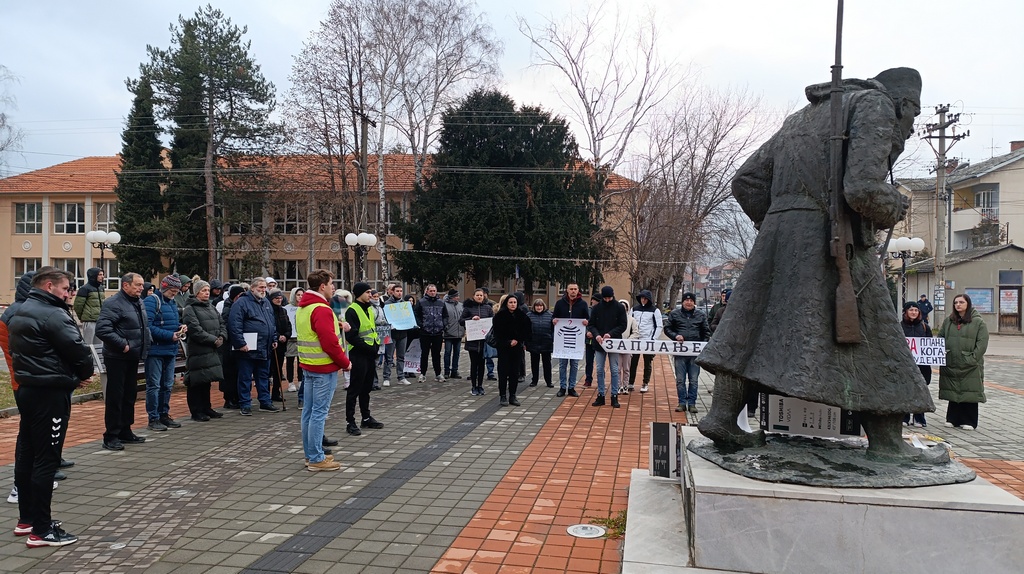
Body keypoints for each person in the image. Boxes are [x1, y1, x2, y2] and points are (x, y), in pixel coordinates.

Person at [696, 68, 938, 462]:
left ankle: (722, 416)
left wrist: (781, 224)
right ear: (903, 104)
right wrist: (892, 204)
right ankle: (889, 444)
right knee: (876, 335)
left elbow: (747, 182)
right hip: (833, 241)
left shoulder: (801, 118)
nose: (910, 129)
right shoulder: (874, 105)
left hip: (779, 240)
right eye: (913, 116)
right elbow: (861, 188)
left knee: (752, 325)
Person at [9, 267, 94, 547]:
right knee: (46, 459)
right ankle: (42, 530)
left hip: (28, 389)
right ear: (49, 286)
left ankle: (27, 520)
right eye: (66, 288)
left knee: (27, 453)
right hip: (49, 394)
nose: (70, 293)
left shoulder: (20, 310)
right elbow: (77, 350)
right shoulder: (53, 314)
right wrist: (81, 375)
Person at [296, 269, 351, 471]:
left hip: (309, 366)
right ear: (322, 286)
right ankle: (317, 458)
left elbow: (314, 331)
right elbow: (329, 342)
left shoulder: (305, 307)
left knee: (309, 414)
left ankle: (311, 455)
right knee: (318, 414)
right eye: (331, 284)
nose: (333, 287)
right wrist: (345, 362)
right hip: (323, 368)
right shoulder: (321, 308)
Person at [95, 272, 151, 450]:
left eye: (142, 285)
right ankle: (111, 435)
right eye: (138, 285)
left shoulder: (138, 302)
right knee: (116, 397)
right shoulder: (113, 303)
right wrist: (123, 345)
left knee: (129, 395)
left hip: (133, 356)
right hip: (117, 357)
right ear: (125, 285)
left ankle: (126, 430)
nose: (141, 288)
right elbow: (103, 330)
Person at [938, 293, 989, 430]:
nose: (958, 305)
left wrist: (972, 358)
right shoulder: (949, 321)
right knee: (953, 390)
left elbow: (982, 343)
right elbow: (940, 337)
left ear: (968, 304)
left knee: (969, 391)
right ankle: (953, 418)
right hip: (951, 361)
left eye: (961, 302)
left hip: (970, 364)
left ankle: (969, 420)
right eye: (956, 303)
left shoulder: (978, 322)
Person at [228, 277, 279, 416]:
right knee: (245, 377)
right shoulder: (242, 302)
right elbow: (234, 324)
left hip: (265, 346)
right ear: (252, 288)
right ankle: (245, 404)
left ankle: (265, 401)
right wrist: (240, 343)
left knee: (263, 376)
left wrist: (274, 338)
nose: (263, 290)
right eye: (260, 288)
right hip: (248, 347)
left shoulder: (266, 302)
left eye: (264, 287)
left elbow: (271, 323)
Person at [144, 275, 186, 431]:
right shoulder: (152, 301)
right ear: (165, 288)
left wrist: (180, 327)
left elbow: (171, 323)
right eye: (172, 291)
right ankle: (153, 418)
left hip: (170, 350)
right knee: (154, 385)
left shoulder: (172, 302)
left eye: (176, 291)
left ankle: (164, 414)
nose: (174, 294)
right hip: (155, 350)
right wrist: (170, 335)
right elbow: (147, 326)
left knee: (167, 385)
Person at [182, 280, 227, 422]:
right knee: (197, 380)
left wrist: (222, 337)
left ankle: (207, 407)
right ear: (196, 293)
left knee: (206, 379)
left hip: (212, 349)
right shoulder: (190, 309)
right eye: (203, 290)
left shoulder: (211, 307)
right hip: (199, 350)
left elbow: (222, 324)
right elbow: (195, 330)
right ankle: (196, 411)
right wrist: (213, 340)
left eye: (208, 290)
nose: (207, 293)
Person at [344, 282, 384, 435]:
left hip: (369, 354)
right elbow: (352, 336)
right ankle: (350, 421)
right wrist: (369, 347)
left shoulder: (369, 309)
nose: (370, 294)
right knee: (355, 389)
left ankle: (366, 418)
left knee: (366, 389)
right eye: (367, 292)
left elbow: (371, 331)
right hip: (359, 354)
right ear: (359, 293)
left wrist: (375, 347)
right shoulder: (352, 310)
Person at [664, 293, 711, 414]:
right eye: (686, 300)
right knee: (680, 379)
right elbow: (667, 328)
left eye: (691, 300)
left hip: (695, 354)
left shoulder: (701, 315)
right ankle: (681, 402)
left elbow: (706, 332)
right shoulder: (675, 314)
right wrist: (676, 336)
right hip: (680, 353)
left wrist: (702, 346)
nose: (688, 302)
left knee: (694, 380)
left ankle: (692, 403)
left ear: (694, 302)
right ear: (683, 302)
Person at [588, 286, 627, 408]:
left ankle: (614, 395)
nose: (607, 300)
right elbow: (591, 324)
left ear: (613, 296)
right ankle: (601, 395)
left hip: (613, 342)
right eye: (605, 298)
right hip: (599, 343)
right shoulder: (596, 308)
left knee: (615, 370)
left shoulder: (619, 307)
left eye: (609, 298)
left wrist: (610, 334)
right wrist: (597, 335)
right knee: (599, 369)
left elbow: (623, 325)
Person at [492, 294, 532, 406]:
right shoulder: (499, 316)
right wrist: (508, 342)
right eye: (510, 302)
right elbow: (497, 333)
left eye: (514, 302)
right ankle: (503, 396)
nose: (513, 304)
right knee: (503, 372)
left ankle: (513, 395)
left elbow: (528, 331)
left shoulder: (522, 316)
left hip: (517, 348)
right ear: (506, 303)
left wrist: (518, 340)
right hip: (504, 348)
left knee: (515, 372)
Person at [551, 283, 589, 398]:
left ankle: (571, 387)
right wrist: (554, 321)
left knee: (575, 364)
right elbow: (554, 317)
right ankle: (562, 387)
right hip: (562, 339)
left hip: (576, 340)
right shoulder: (560, 303)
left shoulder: (583, 304)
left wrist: (586, 322)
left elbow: (588, 318)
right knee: (562, 364)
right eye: (571, 289)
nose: (573, 291)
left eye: (575, 289)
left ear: (578, 290)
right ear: (567, 290)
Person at [900, 301, 932, 427]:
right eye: (911, 310)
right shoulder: (899, 326)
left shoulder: (925, 327)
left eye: (916, 310)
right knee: (905, 390)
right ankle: (904, 417)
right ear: (905, 312)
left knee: (920, 391)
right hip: (905, 365)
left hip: (922, 366)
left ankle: (919, 417)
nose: (913, 312)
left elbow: (930, 345)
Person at [460, 289, 495, 396]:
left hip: (484, 342)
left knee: (482, 365)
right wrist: (471, 319)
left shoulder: (488, 308)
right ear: (474, 296)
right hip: (473, 342)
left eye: (481, 295)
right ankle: (473, 386)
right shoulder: (468, 308)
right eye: (477, 295)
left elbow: (493, 321)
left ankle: (480, 386)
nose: (479, 297)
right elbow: (461, 321)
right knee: (474, 365)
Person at [630, 289, 663, 393]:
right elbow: (629, 322)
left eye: (645, 298)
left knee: (647, 362)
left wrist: (653, 339)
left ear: (649, 299)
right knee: (632, 362)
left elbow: (659, 326)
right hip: (635, 339)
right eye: (641, 298)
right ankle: (630, 382)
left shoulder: (655, 310)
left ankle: (645, 383)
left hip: (648, 340)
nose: (643, 300)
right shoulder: (634, 309)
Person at [414, 284, 447, 382]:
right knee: (424, 354)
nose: (432, 292)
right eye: (431, 291)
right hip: (425, 332)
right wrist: (421, 325)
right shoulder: (421, 302)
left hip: (438, 332)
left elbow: (445, 316)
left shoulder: (441, 303)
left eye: (434, 291)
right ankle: (422, 373)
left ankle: (438, 374)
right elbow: (416, 315)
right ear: (427, 291)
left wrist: (443, 325)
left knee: (437, 354)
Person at [220, 284, 245, 409]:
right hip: (229, 345)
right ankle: (229, 399)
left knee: (237, 372)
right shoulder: (228, 308)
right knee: (229, 373)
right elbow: (226, 325)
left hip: (236, 344)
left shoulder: (238, 306)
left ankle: (236, 397)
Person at [381, 285, 411, 386]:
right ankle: (386, 377)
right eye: (397, 291)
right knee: (389, 357)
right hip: (391, 334)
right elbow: (384, 318)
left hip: (403, 333)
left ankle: (401, 376)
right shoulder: (387, 304)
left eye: (401, 291)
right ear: (392, 292)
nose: (399, 293)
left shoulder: (404, 304)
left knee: (401, 356)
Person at [268, 289, 292, 402]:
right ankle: (266, 394)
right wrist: (277, 336)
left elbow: (288, 325)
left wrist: (286, 335)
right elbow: (270, 326)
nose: (279, 300)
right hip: (271, 344)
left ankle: (276, 393)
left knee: (278, 371)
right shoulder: (268, 311)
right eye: (276, 298)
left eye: (280, 298)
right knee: (269, 370)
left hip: (282, 344)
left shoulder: (283, 311)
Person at [72, 267, 105, 344]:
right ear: (93, 276)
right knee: (88, 344)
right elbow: (78, 305)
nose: (102, 277)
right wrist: (82, 318)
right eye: (100, 275)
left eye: (103, 275)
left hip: (100, 321)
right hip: (89, 322)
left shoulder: (101, 288)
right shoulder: (84, 289)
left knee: (100, 345)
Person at [527, 298, 554, 388]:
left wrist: (552, 339)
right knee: (534, 363)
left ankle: (549, 381)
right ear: (534, 307)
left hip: (547, 342)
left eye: (540, 305)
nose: (539, 307)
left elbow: (553, 329)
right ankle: (534, 380)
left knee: (547, 363)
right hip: (533, 342)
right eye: (537, 306)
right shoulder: (529, 315)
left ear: (543, 306)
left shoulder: (550, 315)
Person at [617, 299, 639, 394]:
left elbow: (636, 332)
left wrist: (628, 340)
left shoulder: (632, 319)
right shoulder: (615, 318)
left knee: (626, 368)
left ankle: (625, 386)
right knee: (617, 369)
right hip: (616, 346)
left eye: (624, 307)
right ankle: (618, 386)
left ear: (627, 308)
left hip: (628, 346)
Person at [285, 287, 304, 392]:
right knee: (290, 360)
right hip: (290, 338)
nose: (300, 297)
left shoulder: (305, 307)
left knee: (301, 361)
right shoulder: (286, 308)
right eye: (298, 295)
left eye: (302, 295)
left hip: (301, 338)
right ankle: (290, 382)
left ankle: (301, 381)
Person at [442, 289, 465, 380]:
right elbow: (443, 318)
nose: (458, 298)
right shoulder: (445, 305)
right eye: (456, 296)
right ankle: (446, 371)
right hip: (449, 333)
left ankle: (455, 370)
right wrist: (446, 327)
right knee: (447, 352)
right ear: (451, 297)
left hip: (459, 333)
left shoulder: (461, 306)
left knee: (457, 353)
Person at [584, 294, 600, 387]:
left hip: (598, 340)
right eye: (594, 300)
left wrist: (595, 334)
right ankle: (588, 379)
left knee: (599, 363)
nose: (595, 302)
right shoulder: (588, 311)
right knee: (588, 361)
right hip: (588, 341)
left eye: (597, 301)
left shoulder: (602, 311)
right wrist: (587, 332)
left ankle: (600, 380)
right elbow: (584, 323)